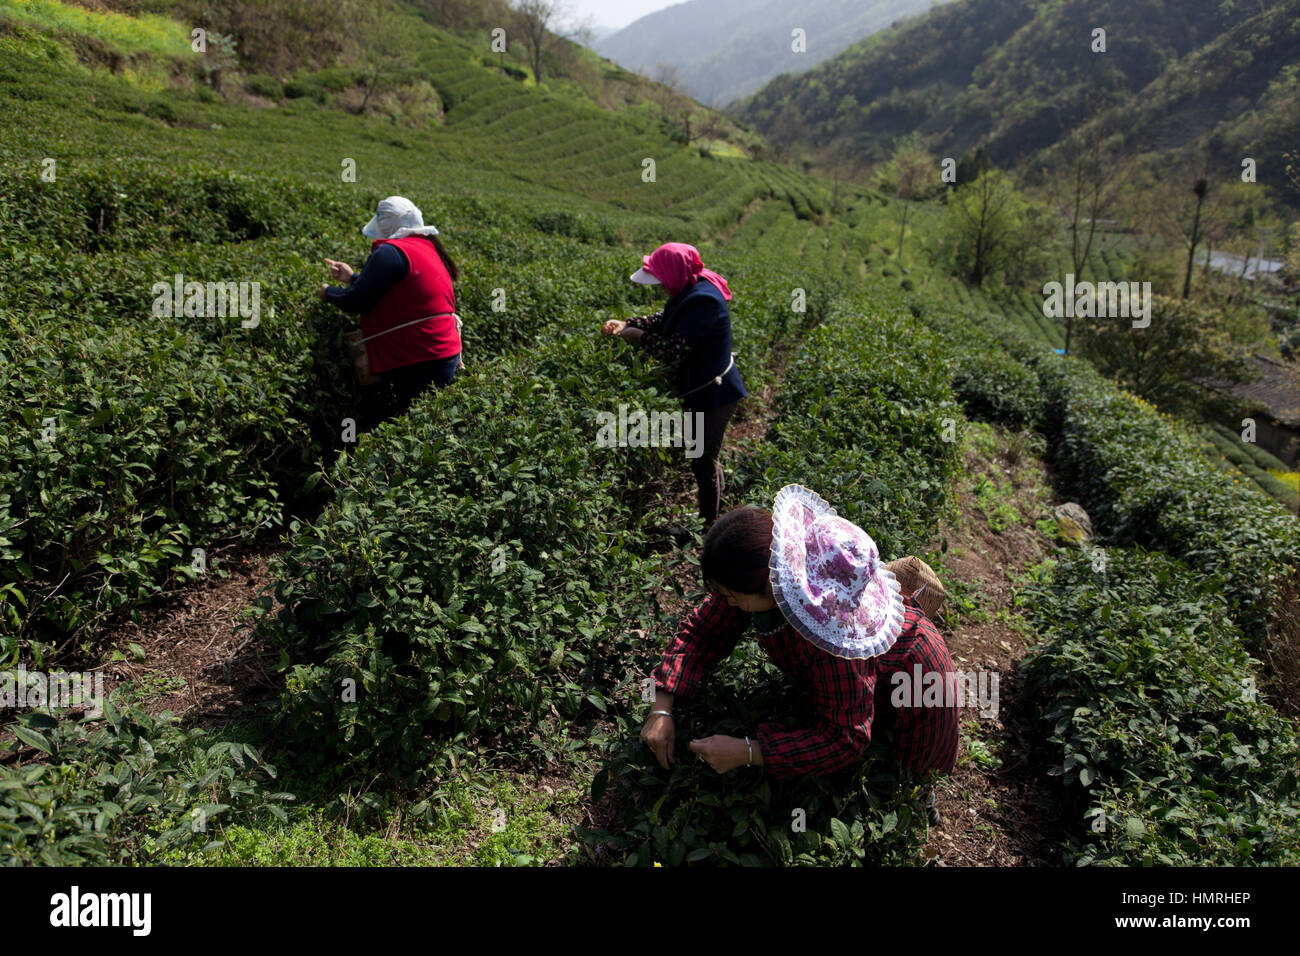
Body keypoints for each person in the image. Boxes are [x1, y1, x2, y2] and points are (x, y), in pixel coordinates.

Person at [640, 485, 959, 822]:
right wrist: (661, 708)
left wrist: (748, 751)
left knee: (906, 784)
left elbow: (845, 737)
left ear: (767, 585)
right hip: (861, 678)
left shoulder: (833, 637)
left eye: (729, 594)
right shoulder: (774, 575)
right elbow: (703, 633)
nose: (724, 600)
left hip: (920, 686)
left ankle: (921, 807)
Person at [600, 243, 747, 527]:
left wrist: (636, 336)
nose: (661, 288)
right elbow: (667, 320)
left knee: (702, 458)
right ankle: (713, 508)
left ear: (674, 274)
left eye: (661, 281)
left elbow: (675, 348)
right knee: (704, 455)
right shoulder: (690, 285)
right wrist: (628, 322)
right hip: (701, 388)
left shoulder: (703, 299)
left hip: (716, 393)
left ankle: (706, 526)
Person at [320, 195, 464, 430]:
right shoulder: (426, 247)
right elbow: (398, 290)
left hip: (420, 356)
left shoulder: (390, 252)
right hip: (442, 351)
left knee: (415, 428)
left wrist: (328, 293)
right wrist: (352, 277)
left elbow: (356, 300)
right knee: (430, 422)